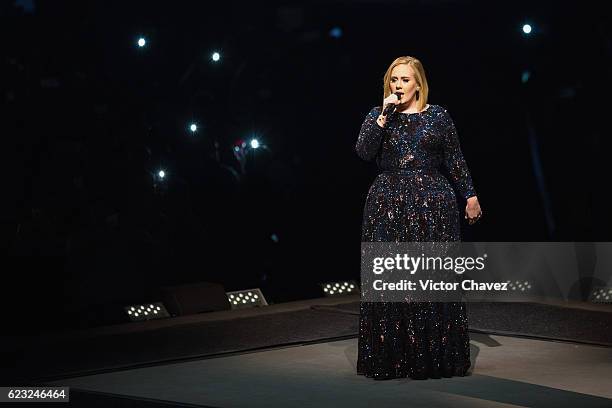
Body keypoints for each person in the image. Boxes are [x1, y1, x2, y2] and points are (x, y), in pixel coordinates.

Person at [355, 56, 483, 380]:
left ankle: (436, 357)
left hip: (433, 202)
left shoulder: (438, 116)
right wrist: (382, 117)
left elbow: (455, 158)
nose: (398, 86)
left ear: (418, 84)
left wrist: (470, 195)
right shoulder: (378, 116)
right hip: (387, 202)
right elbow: (363, 152)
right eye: (394, 80)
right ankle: (391, 357)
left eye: (405, 80)